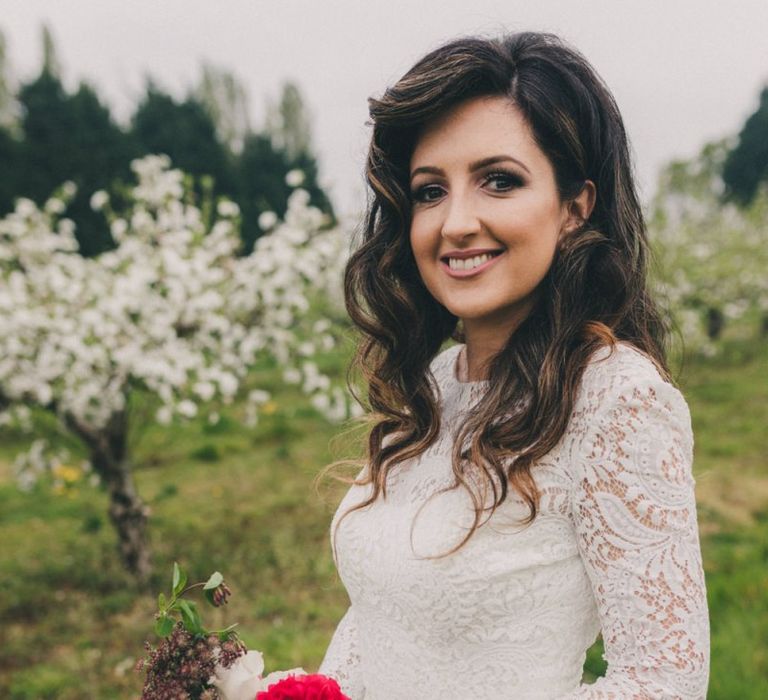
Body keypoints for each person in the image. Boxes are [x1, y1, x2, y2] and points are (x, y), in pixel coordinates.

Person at [318, 32, 710, 699]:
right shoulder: (438, 388)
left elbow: (663, 682)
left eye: (499, 181)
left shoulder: (617, 401)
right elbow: (383, 618)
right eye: (430, 191)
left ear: (574, 208)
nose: (456, 223)